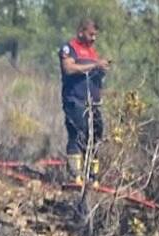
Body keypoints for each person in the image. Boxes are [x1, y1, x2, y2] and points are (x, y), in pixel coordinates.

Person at [59, 19, 110, 186]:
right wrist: (95, 65)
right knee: (78, 134)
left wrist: (101, 70)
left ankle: (93, 177)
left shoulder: (92, 52)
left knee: (95, 136)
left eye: (95, 35)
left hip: (93, 103)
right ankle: (75, 176)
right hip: (75, 100)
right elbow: (69, 68)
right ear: (81, 32)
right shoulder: (69, 48)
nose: (94, 38)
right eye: (91, 34)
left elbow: (95, 74)